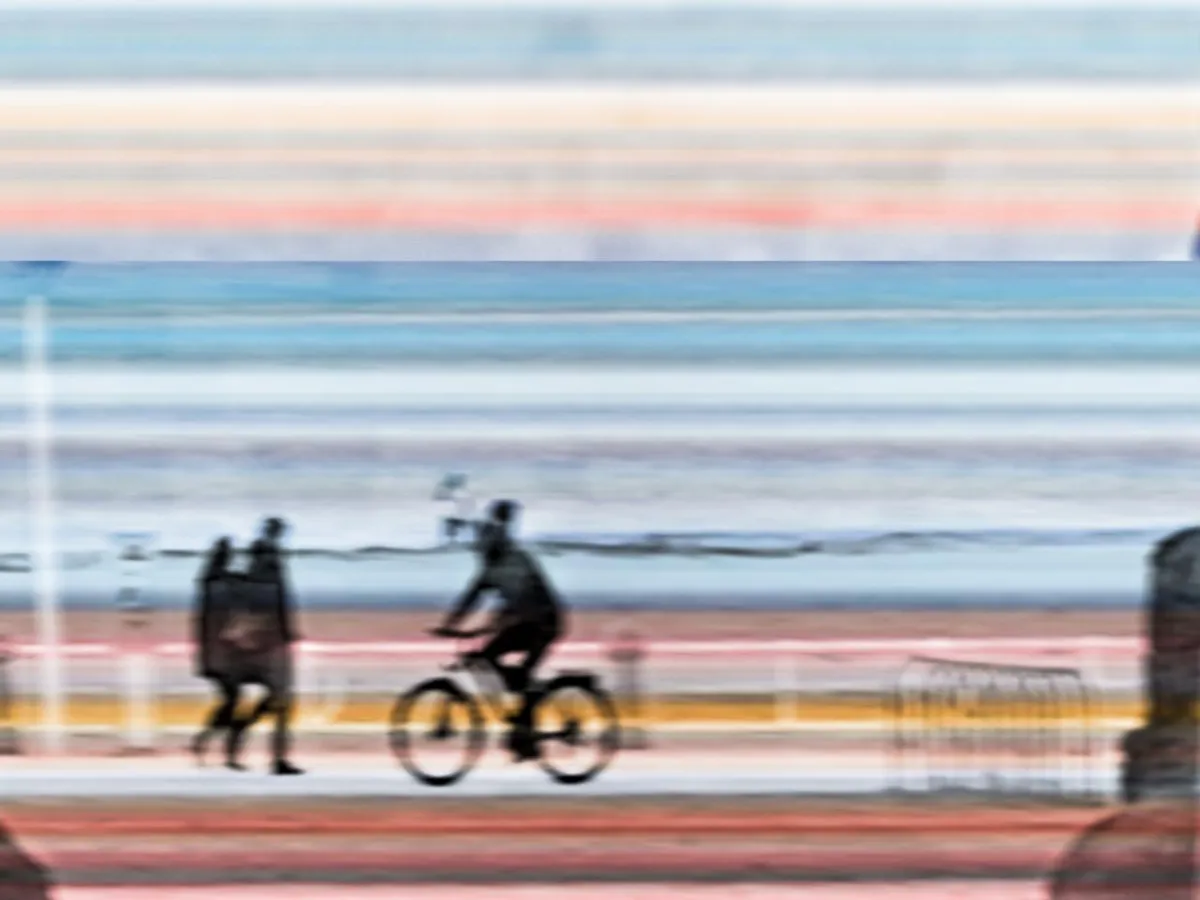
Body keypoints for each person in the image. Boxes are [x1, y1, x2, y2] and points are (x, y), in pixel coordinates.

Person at [432, 499, 565, 761]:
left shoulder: (516, 562)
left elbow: (519, 606)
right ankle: (522, 722)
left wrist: (477, 628)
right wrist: (449, 625)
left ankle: (527, 738)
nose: (480, 552)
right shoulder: (490, 571)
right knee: (492, 660)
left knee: (515, 672)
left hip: (544, 623)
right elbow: (469, 599)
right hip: (523, 622)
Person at [224, 517, 304, 775]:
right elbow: (270, 600)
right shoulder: (267, 559)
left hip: (268, 637)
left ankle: (245, 743)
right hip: (269, 640)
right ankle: (274, 756)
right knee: (280, 699)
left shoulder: (261, 559)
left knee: (277, 699)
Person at [189, 536, 245, 768]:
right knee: (233, 699)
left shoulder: (211, 582)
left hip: (216, 653)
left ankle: (211, 744)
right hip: (218, 655)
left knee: (232, 700)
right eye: (228, 554)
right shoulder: (218, 584)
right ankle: (217, 748)